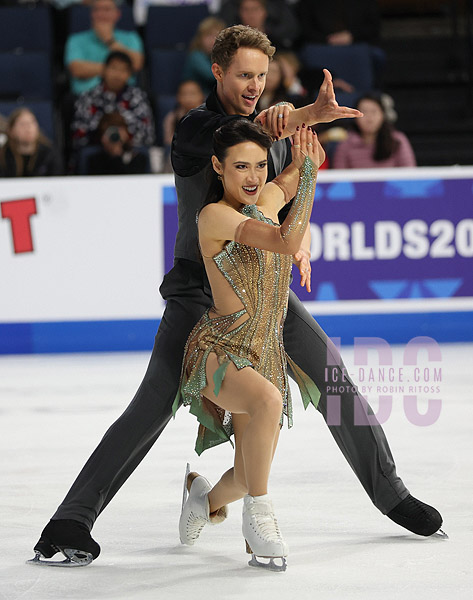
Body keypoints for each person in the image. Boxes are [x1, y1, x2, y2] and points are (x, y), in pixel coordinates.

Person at [30, 25, 443, 568]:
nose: (254, 84)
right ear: (218, 71)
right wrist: (298, 117)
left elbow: (279, 199)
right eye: (244, 74)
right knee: (153, 402)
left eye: (262, 77)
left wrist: (300, 240)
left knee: (332, 374)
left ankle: (391, 494)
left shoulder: (261, 140)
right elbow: (240, 132)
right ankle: (71, 520)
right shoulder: (195, 130)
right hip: (198, 293)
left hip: (261, 290)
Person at [175, 118, 323, 570]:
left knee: (245, 474)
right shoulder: (214, 215)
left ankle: (202, 497)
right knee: (267, 401)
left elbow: (297, 173)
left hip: (266, 355)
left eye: (259, 165)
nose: (254, 177)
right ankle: (259, 520)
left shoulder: (267, 200)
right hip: (220, 353)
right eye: (241, 166)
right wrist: (308, 188)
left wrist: (310, 140)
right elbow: (285, 236)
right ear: (218, 167)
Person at [71, 51, 155, 151]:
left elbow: (148, 136)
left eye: (123, 70)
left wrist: (127, 136)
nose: (117, 75)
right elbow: (78, 136)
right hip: (96, 154)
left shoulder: (138, 97)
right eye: (114, 68)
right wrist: (101, 137)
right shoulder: (88, 97)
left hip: (130, 153)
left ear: (129, 75)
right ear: (104, 70)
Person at [65, 0, 144, 95]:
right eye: (97, 10)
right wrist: (118, 71)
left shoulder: (131, 37)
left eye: (107, 9)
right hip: (85, 96)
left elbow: (136, 64)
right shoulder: (76, 39)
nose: (101, 14)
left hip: (124, 97)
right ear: (91, 14)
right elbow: (76, 69)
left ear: (117, 14)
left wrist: (109, 40)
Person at [332, 93, 417, 169]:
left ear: (383, 115)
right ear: (355, 117)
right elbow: (340, 178)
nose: (369, 118)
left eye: (374, 112)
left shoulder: (397, 140)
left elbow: (408, 174)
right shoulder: (345, 144)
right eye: (364, 112)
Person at [0, 108, 62, 178]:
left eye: (32, 123)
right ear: (11, 130)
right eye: (22, 124)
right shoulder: (3, 157)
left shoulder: (50, 155)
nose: (28, 128)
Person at [84, 112, 150, 175]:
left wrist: (119, 152)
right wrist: (113, 154)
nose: (114, 135)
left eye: (118, 131)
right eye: (110, 131)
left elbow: (133, 181)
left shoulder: (138, 157)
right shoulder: (92, 160)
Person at [162, 80, 205, 172]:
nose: (188, 98)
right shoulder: (172, 118)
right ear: (178, 97)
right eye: (184, 94)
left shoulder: (210, 117)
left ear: (201, 96)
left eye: (193, 94)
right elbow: (169, 141)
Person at [219, 0, 299, 49]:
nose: (250, 14)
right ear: (240, 13)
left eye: (255, 9)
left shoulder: (277, 41)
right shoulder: (232, 42)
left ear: (264, 12)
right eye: (246, 9)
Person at [181, 16, 226, 96]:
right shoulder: (195, 56)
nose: (212, 40)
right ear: (200, 38)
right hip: (194, 99)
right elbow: (212, 76)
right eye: (208, 36)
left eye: (216, 36)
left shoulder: (219, 56)